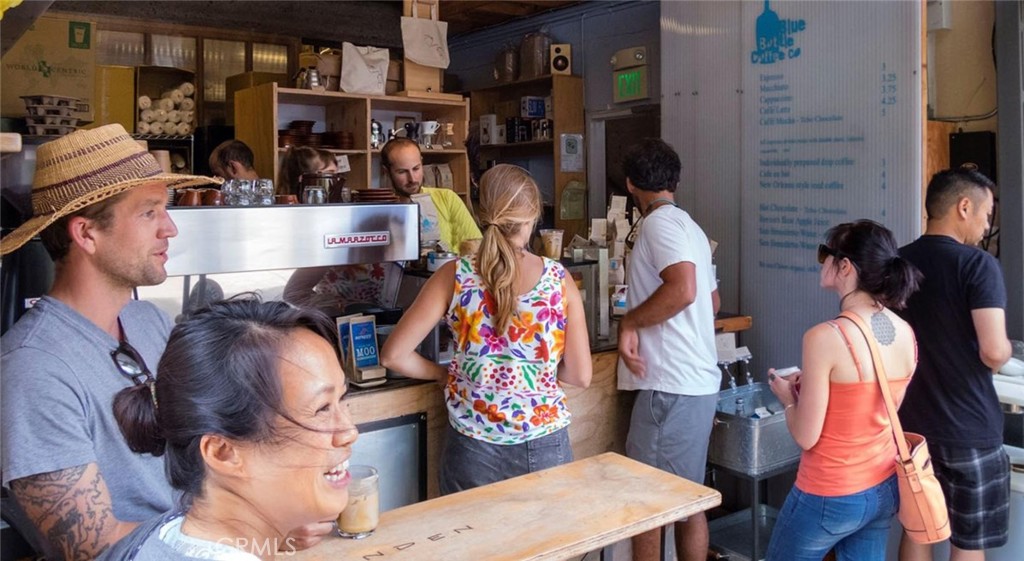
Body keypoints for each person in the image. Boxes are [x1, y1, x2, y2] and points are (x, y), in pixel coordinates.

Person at [0, 124, 217, 560]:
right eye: (149, 212)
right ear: (86, 234)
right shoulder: (32, 368)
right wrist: (237, 531)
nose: (170, 229)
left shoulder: (149, 322)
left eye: (166, 209)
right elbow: (91, 546)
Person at [380, 164, 592, 494]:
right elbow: (580, 375)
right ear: (533, 214)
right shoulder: (558, 279)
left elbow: (393, 356)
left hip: (472, 447)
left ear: (483, 213)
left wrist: (442, 374)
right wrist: (536, 372)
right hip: (544, 442)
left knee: (472, 530)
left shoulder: (454, 275)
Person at [98, 298, 358, 560]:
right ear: (223, 452)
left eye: (342, 398)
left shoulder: (163, 535)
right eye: (322, 409)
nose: (349, 432)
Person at [765, 220, 922, 561]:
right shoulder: (905, 332)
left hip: (830, 491)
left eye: (826, 254)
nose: (822, 262)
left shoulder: (824, 337)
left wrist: (788, 399)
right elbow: (868, 408)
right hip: (883, 485)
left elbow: (806, 436)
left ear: (845, 266)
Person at [897, 167, 1013, 561]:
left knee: (918, 532)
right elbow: (993, 351)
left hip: (911, 428)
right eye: (986, 215)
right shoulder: (978, 265)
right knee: (966, 542)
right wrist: (1005, 354)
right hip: (968, 429)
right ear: (964, 207)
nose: (986, 226)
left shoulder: (897, 262)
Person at [615, 138, 720, 561]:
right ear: (674, 181)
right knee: (688, 501)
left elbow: (684, 289)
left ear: (630, 184)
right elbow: (711, 301)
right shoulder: (690, 227)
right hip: (694, 383)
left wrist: (631, 320)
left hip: (670, 387)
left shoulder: (658, 225)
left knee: (648, 502)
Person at [382, 137, 482, 254]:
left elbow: (474, 246)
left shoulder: (447, 198)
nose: (412, 179)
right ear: (386, 171)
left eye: (416, 169)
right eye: (402, 172)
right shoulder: (380, 211)